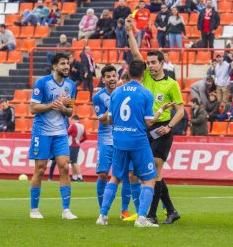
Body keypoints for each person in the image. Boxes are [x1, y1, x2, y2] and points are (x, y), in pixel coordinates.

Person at [96, 60, 173, 228]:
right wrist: (161, 110)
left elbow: (109, 119)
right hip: (138, 142)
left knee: (115, 178)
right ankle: (141, 218)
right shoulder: (146, 93)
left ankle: (102, 216)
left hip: (119, 141)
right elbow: (149, 123)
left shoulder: (116, 93)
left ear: (128, 73)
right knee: (149, 180)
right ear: (144, 74)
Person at [126, 16, 184, 225]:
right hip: (146, 127)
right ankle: (171, 210)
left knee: (154, 169)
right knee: (152, 173)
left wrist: (169, 127)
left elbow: (180, 111)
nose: (149, 66)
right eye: (148, 63)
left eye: (153, 62)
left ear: (162, 63)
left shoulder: (171, 85)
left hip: (162, 130)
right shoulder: (147, 77)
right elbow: (134, 53)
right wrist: (130, 31)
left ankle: (150, 215)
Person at [28, 53, 77, 220]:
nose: (66, 66)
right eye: (63, 63)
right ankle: (34, 209)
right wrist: (52, 105)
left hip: (60, 133)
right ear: (54, 66)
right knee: (40, 169)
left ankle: (66, 210)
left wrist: (64, 109)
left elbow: (70, 111)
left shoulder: (71, 85)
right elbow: (33, 108)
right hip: (42, 132)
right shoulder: (42, 83)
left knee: (64, 167)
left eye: (68, 63)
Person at [93, 64, 133, 219]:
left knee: (128, 175)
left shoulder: (124, 92)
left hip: (122, 138)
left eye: (113, 76)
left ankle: (124, 210)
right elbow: (103, 121)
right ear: (103, 79)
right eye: (108, 76)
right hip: (105, 139)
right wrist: (114, 109)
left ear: (117, 77)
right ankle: (103, 211)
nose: (111, 79)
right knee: (102, 174)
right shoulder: (98, 97)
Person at [67, 115, 87, 182]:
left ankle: (80, 176)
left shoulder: (73, 125)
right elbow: (85, 137)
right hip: (77, 145)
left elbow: (67, 133)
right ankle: (74, 177)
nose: (70, 121)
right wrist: (79, 142)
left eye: (71, 120)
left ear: (73, 119)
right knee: (72, 161)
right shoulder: (82, 126)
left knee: (74, 162)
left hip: (72, 145)